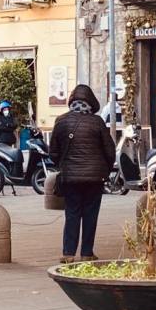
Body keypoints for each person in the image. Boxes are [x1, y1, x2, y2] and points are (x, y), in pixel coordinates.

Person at [50, 84, 115, 264]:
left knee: (72, 213)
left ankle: (68, 253)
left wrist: (64, 166)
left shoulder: (61, 121)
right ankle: (87, 252)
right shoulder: (97, 122)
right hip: (95, 177)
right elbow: (110, 150)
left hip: (71, 177)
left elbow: (53, 152)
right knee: (90, 214)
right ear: (91, 102)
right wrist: (105, 169)